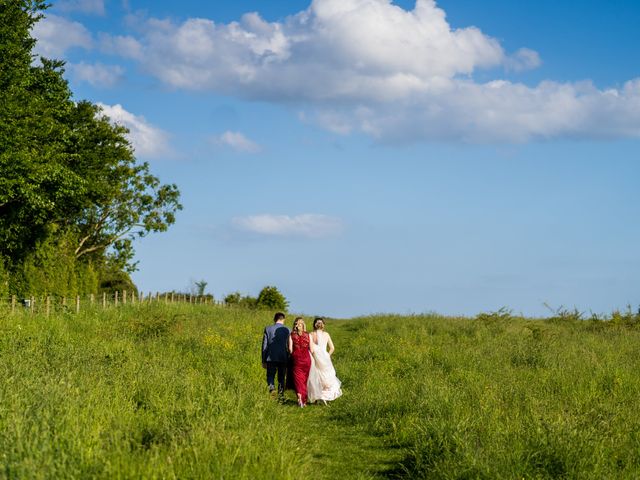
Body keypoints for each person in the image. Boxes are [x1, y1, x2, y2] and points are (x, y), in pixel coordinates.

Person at [307, 317, 342, 405]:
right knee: (325, 375)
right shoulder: (326, 334)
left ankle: (318, 397)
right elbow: (332, 348)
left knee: (317, 376)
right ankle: (323, 396)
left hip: (315, 357)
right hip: (324, 358)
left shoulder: (311, 334)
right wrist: (327, 355)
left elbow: (310, 348)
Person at [262, 312, 290, 399]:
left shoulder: (268, 329)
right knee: (281, 377)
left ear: (274, 319)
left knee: (270, 375)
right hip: (283, 356)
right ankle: (281, 395)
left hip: (271, 357)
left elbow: (264, 346)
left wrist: (263, 360)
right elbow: (290, 345)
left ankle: (272, 389)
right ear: (283, 319)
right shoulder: (288, 330)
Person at [288, 317, 314, 408]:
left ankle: (299, 396)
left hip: (296, 359)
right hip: (306, 359)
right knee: (304, 380)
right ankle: (304, 400)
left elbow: (290, 350)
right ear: (303, 325)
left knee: (298, 379)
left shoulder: (291, 335)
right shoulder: (308, 335)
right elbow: (312, 349)